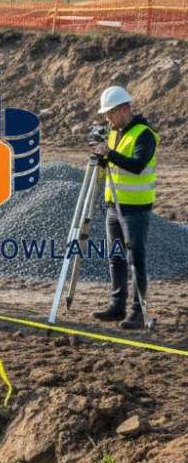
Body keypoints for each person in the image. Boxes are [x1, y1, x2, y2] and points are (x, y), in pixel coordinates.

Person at [90, 86, 158, 331]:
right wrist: (102, 157)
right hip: (113, 206)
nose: (107, 118)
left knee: (135, 260)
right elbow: (112, 164)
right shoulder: (113, 133)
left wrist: (110, 154)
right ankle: (117, 305)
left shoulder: (145, 135)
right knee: (116, 257)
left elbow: (137, 165)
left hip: (135, 209)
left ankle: (138, 312)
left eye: (110, 113)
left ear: (123, 109)